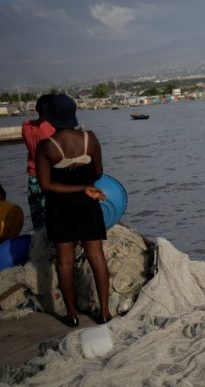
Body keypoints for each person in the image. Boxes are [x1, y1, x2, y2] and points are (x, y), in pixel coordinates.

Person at [35, 94, 111, 327]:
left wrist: (76, 186)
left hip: (60, 207)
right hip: (88, 206)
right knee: (96, 256)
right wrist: (85, 186)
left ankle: (71, 315)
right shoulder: (90, 139)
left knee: (65, 262)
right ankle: (105, 312)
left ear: (50, 118)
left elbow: (45, 185)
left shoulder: (47, 146)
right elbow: (97, 172)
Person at [22, 94, 56, 231]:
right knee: (53, 217)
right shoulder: (50, 129)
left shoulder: (26, 126)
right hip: (50, 178)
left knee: (38, 219)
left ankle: (40, 247)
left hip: (33, 178)